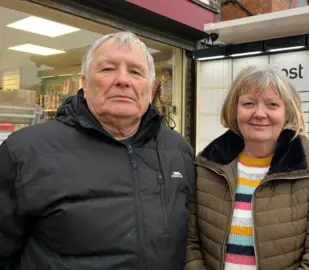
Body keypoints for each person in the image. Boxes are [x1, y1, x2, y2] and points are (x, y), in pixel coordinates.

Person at [0, 31, 194, 269]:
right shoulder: (24, 152)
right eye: (108, 69)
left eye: (135, 71)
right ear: (84, 83)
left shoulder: (178, 151)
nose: (123, 80)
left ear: (151, 88)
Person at [185, 65, 309, 270]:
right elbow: (189, 243)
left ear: (287, 112)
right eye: (249, 103)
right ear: (234, 110)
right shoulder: (206, 167)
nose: (259, 113)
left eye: (272, 104)